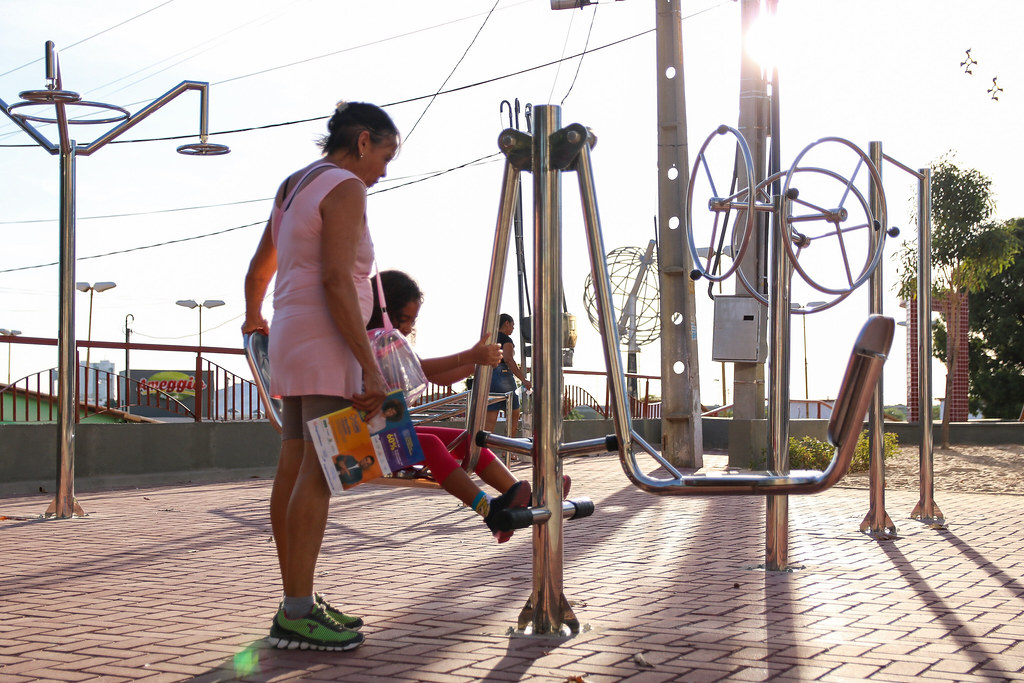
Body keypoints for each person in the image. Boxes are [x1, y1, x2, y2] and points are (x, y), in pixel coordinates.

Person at [242, 101, 398, 652]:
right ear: (361, 142)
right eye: (384, 153)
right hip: (328, 337)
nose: (383, 170)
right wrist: (370, 366)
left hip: (289, 334)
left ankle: (297, 597)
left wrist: (254, 317)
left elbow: (261, 266)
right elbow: (337, 279)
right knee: (322, 471)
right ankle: (296, 611)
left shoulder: (294, 184)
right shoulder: (347, 188)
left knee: (293, 461)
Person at [368, 271, 568, 524]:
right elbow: (424, 370)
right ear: (382, 312)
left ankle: (519, 494)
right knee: (429, 444)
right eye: (403, 319)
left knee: (467, 439)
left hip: (386, 435)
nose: (407, 328)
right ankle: (489, 510)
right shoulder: (376, 342)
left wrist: (477, 361)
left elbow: (438, 377)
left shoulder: (388, 344)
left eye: (412, 321)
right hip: (362, 444)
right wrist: (469, 357)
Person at [485, 313, 532, 438]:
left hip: (489, 376)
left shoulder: (490, 339)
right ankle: (509, 449)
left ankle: (483, 452)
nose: (513, 328)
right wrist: (523, 379)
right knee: (514, 413)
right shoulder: (506, 339)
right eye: (512, 325)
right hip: (503, 375)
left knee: (490, 418)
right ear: (506, 323)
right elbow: (508, 359)